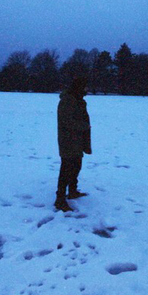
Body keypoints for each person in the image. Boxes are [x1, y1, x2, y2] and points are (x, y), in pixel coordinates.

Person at [55, 76, 92, 212]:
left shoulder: (78, 100)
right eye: (85, 86)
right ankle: (60, 199)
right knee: (66, 169)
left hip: (77, 140)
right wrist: (84, 126)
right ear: (79, 87)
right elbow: (66, 121)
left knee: (76, 166)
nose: (87, 89)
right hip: (68, 140)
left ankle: (72, 191)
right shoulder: (67, 100)